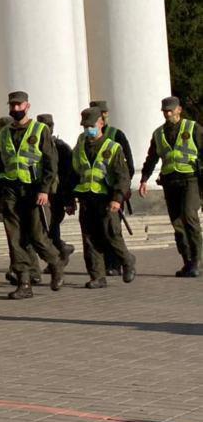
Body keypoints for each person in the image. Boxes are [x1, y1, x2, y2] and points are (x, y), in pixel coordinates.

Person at [0, 90, 67, 298]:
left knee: (37, 236)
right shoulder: (5, 133)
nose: (15, 109)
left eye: (19, 105)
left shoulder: (40, 130)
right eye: (12, 105)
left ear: (27, 106)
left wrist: (45, 190)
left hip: (33, 190)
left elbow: (51, 163)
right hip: (11, 192)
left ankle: (56, 263)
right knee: (15, 239)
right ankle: (24, 283)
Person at [65, 107, 136, 289]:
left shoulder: (112, 147)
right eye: (85, 126)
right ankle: (97, 276)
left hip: (106, 199)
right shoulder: (80, 147)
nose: (88, 129)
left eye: (91, 125)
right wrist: (70, 200)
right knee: (89, 238)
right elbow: (73, 175)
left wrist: (117, 198)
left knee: (111, 234)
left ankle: (127, 260)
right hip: (86, 199)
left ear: (101, 123)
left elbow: (123, 176)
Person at [139, 96, 203, 277]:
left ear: (179, 110)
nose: (167, 114)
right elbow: (152, 158)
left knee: (189, 217)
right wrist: (144, 179)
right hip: (170, 182)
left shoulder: (193, 128)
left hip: (190, 179)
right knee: (177, 224)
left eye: (170, 110)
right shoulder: (158, 133)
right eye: (165, 111)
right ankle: (187, 261)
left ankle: (197, 261)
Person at [90, 100, 135, 275]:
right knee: (99, 231)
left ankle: (115, 263)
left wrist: (120, 191)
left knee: (112, 229)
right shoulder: (85, 139)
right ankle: (104, 266)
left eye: (102, 113)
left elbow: (128, 166)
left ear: (105, 115)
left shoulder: (116, 135)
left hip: (112, 192)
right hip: (94, 192)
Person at [37, 114, 76, 262]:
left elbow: (68, 176)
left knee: (50, 227)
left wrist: (69, 201)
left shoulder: (61, 148)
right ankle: (61, 251)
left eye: (48, 126)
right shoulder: (34, 146)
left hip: (57, 196)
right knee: (47, 229)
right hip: (41, 194)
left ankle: (59, 253)